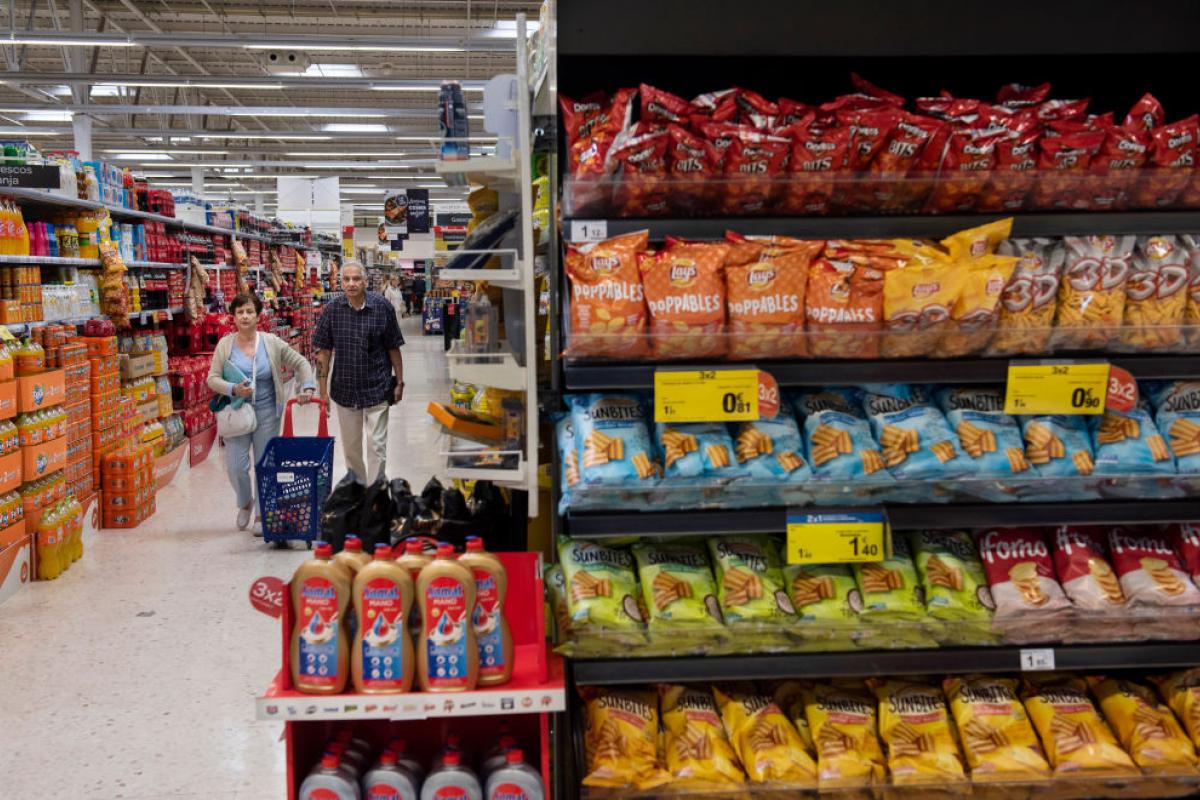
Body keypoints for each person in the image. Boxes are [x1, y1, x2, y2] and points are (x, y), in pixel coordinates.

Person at [208, 293, 316, 531]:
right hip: (237, 412)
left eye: (249, 312)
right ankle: (245, 502)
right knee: (236, 466)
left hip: (268, 411)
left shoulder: (271, 342)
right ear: (233, 317)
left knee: (264, 464)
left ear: (258, 316)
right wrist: (232, 389)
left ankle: (262, 513)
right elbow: (212, 378)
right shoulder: (225, 345)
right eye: (240, 312)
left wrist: (307, 385)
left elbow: (301, 363)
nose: (245, 316)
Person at [314, 261, 405, 484]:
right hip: (345, 391)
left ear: (365, 282)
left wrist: (400, 382)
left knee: (377, 446)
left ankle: (375, 497)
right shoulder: (332, 311)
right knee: (352, 450)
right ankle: (358, 493)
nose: (351, 283)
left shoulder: (382, 307)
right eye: (346, 279)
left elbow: (393, 347)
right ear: (340, 282)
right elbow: (323, 354)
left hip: (378, 387)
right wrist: (322, 391)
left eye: (356, 279)